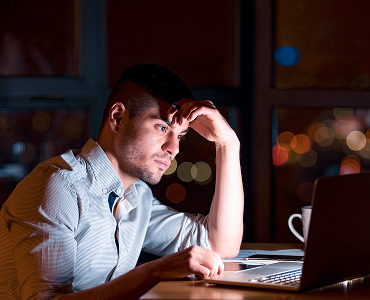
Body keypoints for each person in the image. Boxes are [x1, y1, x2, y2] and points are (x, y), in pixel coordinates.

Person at [0, 64, 244, 299]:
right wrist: (154, 271)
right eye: (161, 128)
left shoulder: (137, 196)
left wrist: (228, 144)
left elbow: (220, 244)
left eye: (180, 136)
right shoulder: (58, 187)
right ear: (117, 117)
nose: (174, 148)